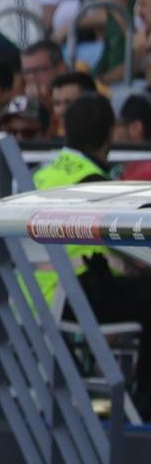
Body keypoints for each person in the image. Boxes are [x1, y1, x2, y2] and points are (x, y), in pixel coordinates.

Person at [36, 96, 151, 414]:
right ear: (110, 133)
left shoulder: (43, 173)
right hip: (73, 295)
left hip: (33, 295)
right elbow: (135, 247)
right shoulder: (94, 180)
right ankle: (145, 403)